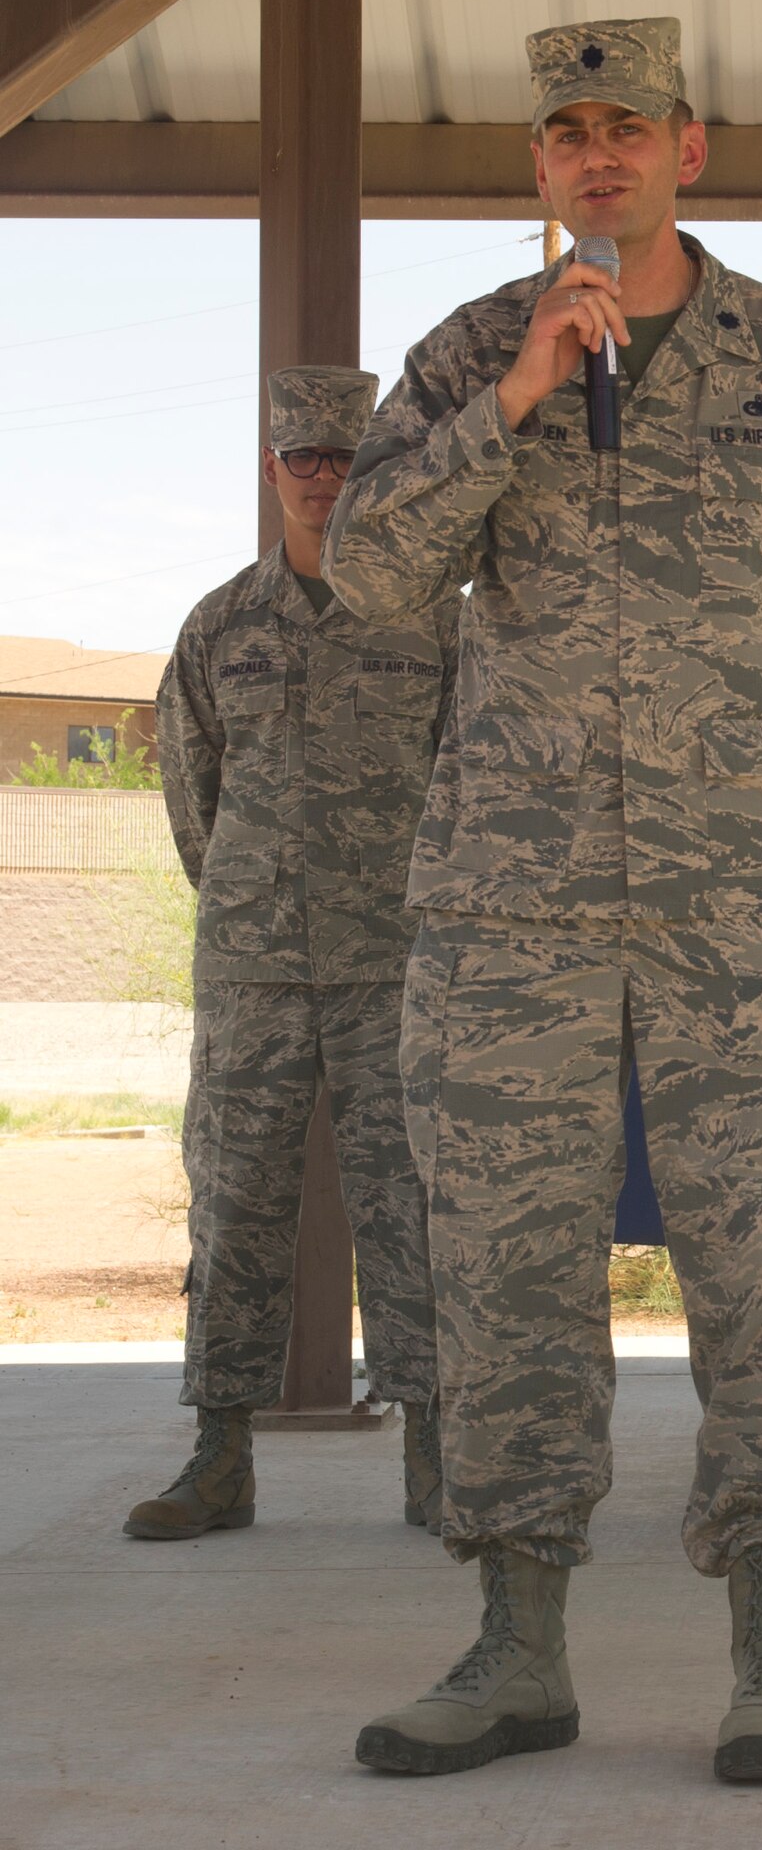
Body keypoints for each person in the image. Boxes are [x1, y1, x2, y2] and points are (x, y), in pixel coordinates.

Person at [323, 18, 762, 1783]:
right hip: (506, 915)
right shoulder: (469, 354)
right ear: (535, 169)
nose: (594, 156)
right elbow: (369, 575)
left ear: (690, 149)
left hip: (735, 909)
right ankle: (514, 1646)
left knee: (758, 1277)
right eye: (563, 135)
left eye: (627, 127)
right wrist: (516, 395)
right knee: (502, 1279)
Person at [124, 367, 459, 1544]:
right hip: (256, 970)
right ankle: (218, 1456)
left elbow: (472, 787)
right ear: (271, 473)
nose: (321, 479)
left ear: (370, 473)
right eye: (299, 459)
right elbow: (191, 798)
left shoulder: (432, 617)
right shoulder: (219, 628)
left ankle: (436, 1455)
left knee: (410, 1205)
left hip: (396, 967)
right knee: (234, 1206)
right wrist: (252, 907)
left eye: (340, 458)